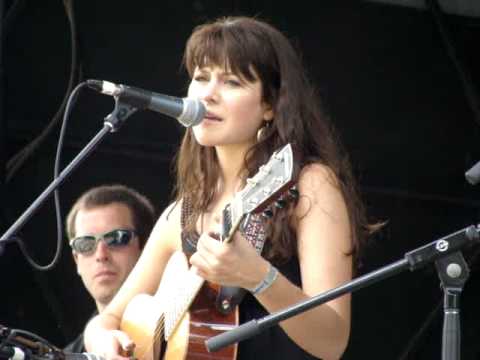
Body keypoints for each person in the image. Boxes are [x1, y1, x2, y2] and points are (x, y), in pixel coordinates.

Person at [84, 16, 375, 360]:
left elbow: (333, 340)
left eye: (232, 82)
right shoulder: (184, 211)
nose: (208, 94)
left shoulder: (308, 183)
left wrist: (259, 277)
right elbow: (107, 319)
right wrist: (103, 341)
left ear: (270, 106)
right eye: (201, 78)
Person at [64, 184, 155, 353]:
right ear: (76, 259)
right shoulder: (69, 356)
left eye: (117, 238)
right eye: (85, 244)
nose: (100, 254)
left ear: (147, 246)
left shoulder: (186, 316)